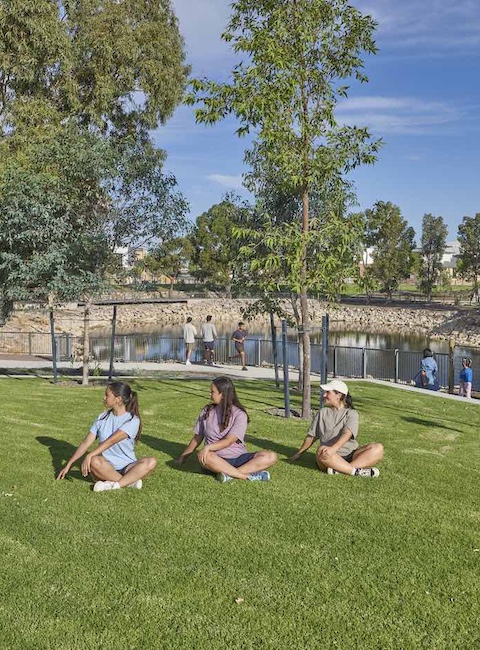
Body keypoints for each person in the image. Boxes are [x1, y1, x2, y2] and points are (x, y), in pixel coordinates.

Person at [56, 381, 157, 491]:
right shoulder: (102, 417)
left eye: (107, 395)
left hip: (129, 466)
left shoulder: (132, 420)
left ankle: (113, 484)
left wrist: (89, 455)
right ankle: (129, 482)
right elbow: (86, 442)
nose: (104, 397)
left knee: (151, 462)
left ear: (118, 399)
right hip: (107, 466)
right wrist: (68, 465)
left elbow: (111, 441)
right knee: (94, 461)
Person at [175, 376, 277, 483]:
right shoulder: (207, 411)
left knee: (271, 456)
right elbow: (198, 437)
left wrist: (208, 447)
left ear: (222, 394)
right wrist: (183, 457)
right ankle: (245, 476)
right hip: (215, 458)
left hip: (238, 458)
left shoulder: (240, 415)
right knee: (203, 455)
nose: (210, 394)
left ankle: (230, 475)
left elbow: (229, 441)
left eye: (212, 392)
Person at [288, 379, 383, 477]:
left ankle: (342, 469)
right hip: (329, 455)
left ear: (339, 395)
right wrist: (299, 453)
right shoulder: (322, 413)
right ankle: (354, 471)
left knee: (378, 448)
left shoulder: (351, 413)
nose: (324, 395)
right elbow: (311, 436)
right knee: (321, 450)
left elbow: (347, 434)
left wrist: (333, 448)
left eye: (328, 392)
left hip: (352, 455)